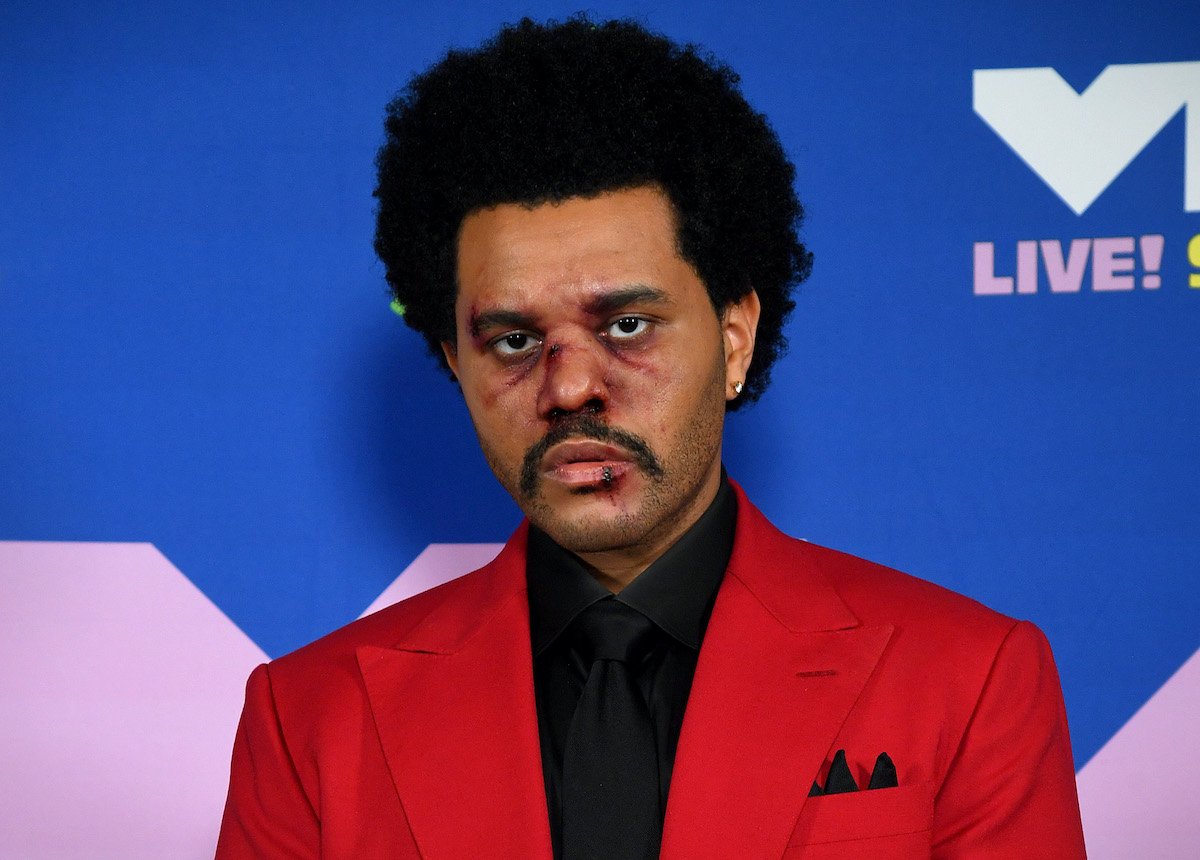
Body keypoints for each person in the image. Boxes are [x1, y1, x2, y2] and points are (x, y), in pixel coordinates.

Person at [217, 16, 1086, 858]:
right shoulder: (308, 721)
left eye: (627, 326)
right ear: (455, 363)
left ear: (735, 338)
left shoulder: (967, 678)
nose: (569, 388)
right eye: (514, 341)